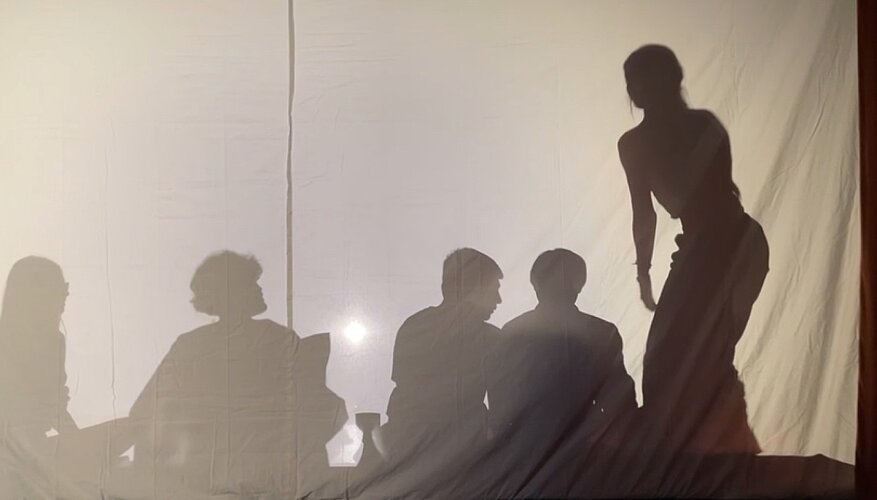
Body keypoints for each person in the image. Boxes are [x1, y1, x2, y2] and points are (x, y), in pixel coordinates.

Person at [617, 45, 769, 455]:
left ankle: (720, 454)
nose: (636, 87)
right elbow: (644, 212)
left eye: (645, 76)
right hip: (706, 249)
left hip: (733, 246)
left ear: (672, 78)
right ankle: (703, 453)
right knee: (676, 356)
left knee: (695, 355)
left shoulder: (702, 125)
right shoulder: (634, 143)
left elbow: (697, 198)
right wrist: (643, 273)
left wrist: (655, 271)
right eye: (631, 80)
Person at [124, 251, 344, 498]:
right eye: (251, 282)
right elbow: (318, 411)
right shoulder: (276, 339)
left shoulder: (191, 344)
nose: (259, 288)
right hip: (264, 481)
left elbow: (145, 411)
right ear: (232, 291)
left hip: (211, 482)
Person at [486, 249, 636, 497]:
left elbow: (500, 399)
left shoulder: (513, 331)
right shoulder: (600, 330)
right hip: (583, 453)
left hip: (534, 454)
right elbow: (619, 395)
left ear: (535, 283)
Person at [381, 248, 502, 497]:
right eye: (493, 289)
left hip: (413, 460)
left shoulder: (414, 327)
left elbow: (402, 395)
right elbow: (502, 404)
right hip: (467, 465)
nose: (498, 300)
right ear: (473, 288)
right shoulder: (489, 339)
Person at [0, 257, 78, 497]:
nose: (64, 301)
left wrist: (82, 445)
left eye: (65, 292)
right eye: (59, 292)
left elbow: (57, 403)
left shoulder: (55, 343)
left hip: (32, 451)